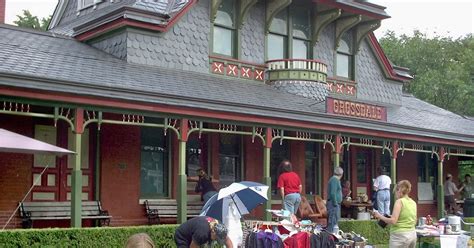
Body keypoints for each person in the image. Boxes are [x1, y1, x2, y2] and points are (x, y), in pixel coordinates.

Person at [372, 180, 417, 248]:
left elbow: (393, 221)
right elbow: (414, 220)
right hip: (412, 235)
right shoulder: (413, 202)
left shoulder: (399, 202)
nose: (395, 195)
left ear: (399, 190)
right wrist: (392, 216)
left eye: (395, 192)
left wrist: (379, 216)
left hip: (400, 236)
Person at [327, 166, 343, 233]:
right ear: (341, 174)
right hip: (333, 204)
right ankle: (330, 237)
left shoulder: (335, 180)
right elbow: (333, 193)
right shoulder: (334, 180)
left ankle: (333, 236)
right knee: (333, 221)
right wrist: (335, 203)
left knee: (335, 221)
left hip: (335, 203)